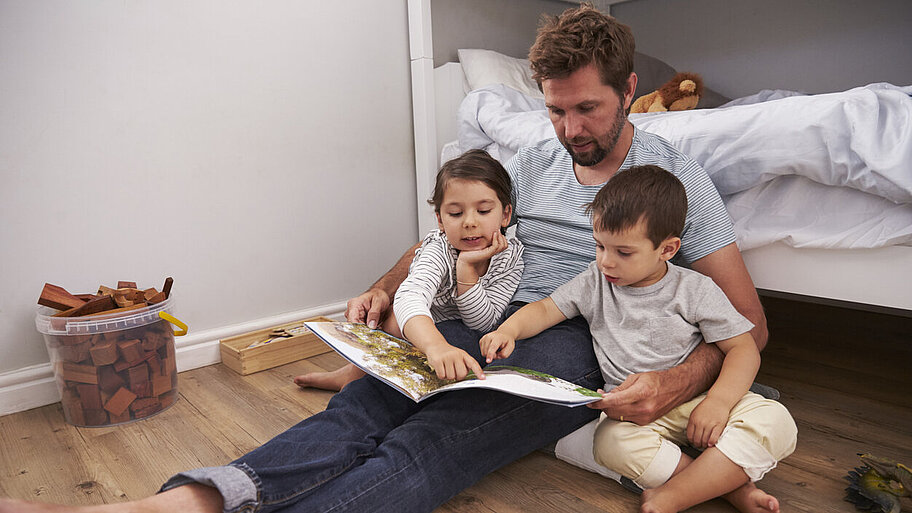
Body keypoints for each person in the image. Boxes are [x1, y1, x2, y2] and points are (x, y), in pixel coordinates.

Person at [0, 4, 770, 513]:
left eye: (587, 108)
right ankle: (188, 502)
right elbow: (457, 235)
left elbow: (750, 327)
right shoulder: (534, 159)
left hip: (576, 339)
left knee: (432, 440)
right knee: (366, 405)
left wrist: (673, 380)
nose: (569, 128)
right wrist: (384, 290)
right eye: (554, 108)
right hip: (489, 313)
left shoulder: (673, 180)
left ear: (630, 90)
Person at [480, 165, 797, 513]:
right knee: (610, 444)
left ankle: (673, 495)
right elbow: (545, 310)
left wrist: (718, 403)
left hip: (699, 400)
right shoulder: (594, 282)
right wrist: (507, 330)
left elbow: (743, 348)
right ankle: (725, 487)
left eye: (623, 252)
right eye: (600, 246)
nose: (605, 262)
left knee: (776, 421)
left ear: (667, 249)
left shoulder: (693, 289)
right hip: (634, 416)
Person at [294, 149, 524, 390]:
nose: (469, 222)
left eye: (483, 211)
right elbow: (409, 298)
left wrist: (466, 271)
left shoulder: (511, 257)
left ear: (505, 214)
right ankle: (354, 375)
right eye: (455, 213)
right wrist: (435, 345)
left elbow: (484, 323)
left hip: (457, 326)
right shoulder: (438, 248)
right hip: (419, 325)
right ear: (440, 220)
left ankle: (352, 375)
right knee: (394, 317)